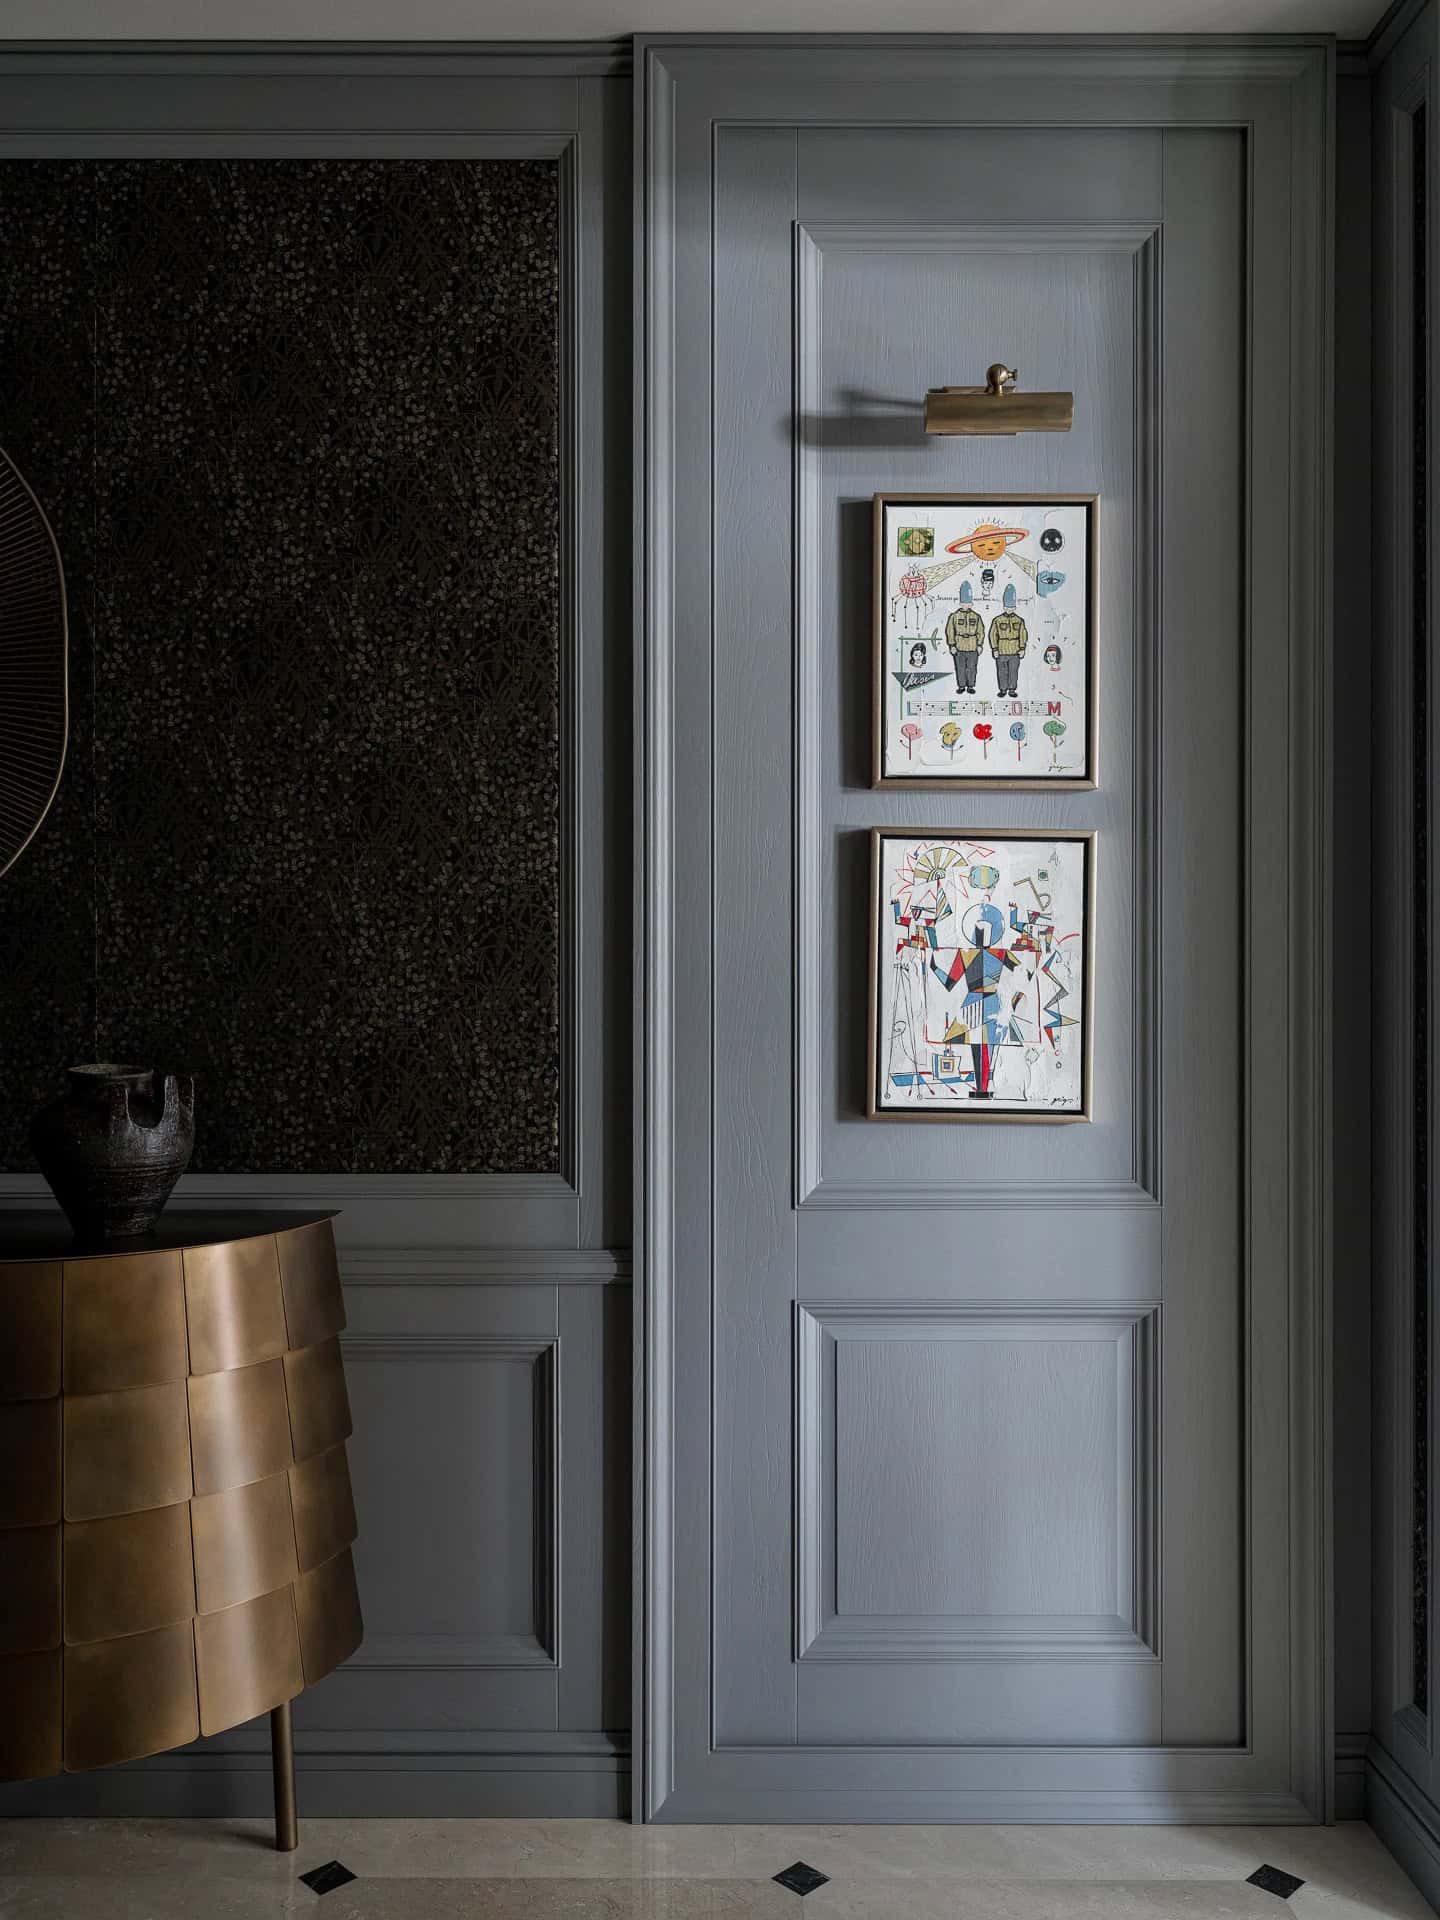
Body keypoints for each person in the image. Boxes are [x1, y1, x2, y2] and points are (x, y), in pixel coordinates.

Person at [988, 606, 1029, 697]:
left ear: (1015, 608)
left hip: (1015, 650)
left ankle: (1012, 689)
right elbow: (992, 635)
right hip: (1002, 650)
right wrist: (995, 649)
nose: (1009, 609)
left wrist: (1022, 648)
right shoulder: (997, 620)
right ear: (1004, 608)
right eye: (1007, 607)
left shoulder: (1019, 620)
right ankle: (1003, 689)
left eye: (1012, 607)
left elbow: (1023, 635)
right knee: (1002, 671)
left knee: (1013, 671)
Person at [944, 602, 985, 693]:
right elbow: (950, 631)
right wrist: (952, 645)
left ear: (971, 604)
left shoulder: (976, 616)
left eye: (968, 603)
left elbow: (981, 631)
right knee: (960, 668)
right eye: (964, 603)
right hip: (959, 646)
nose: (966, 605)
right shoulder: (954, 616)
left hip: (972, 646)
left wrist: (979, 645)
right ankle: (961, 686)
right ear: (960, 604)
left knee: (972, 668)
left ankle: (970, 686)